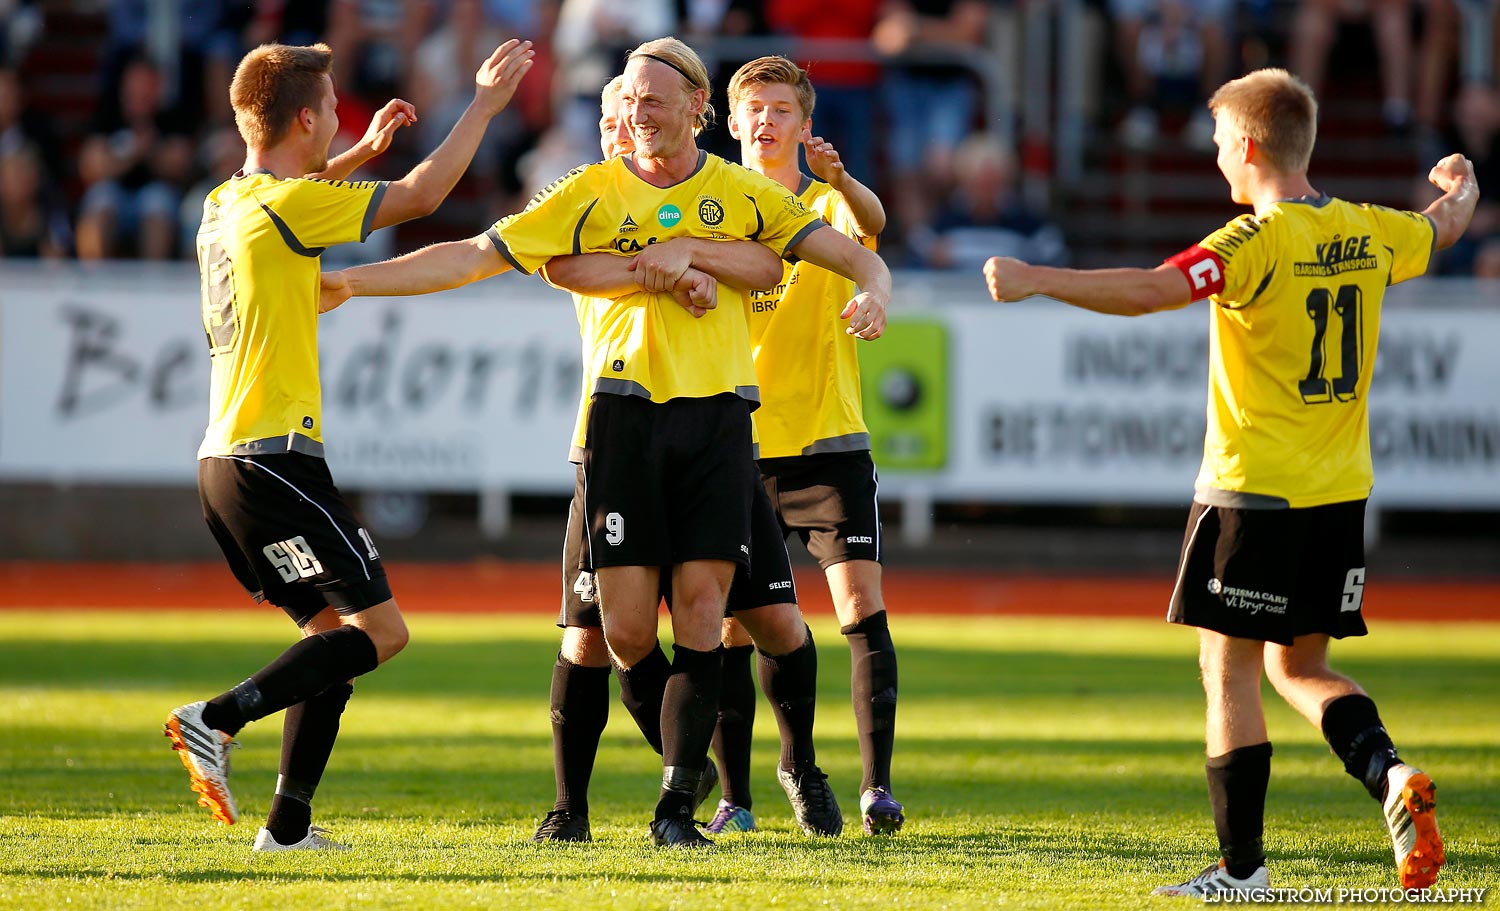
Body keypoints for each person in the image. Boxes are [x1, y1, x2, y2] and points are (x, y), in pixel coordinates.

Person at [320, 36, 892, 848]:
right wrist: (353, 279)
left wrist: (873, 292)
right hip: (623, 423)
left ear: (697, 108)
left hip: (721, 422)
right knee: (621, 630)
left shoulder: (740, 193)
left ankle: (675, 810)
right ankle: (666, 778)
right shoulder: (588, 193)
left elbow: (843, 253)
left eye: (653, 99)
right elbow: (475, 255)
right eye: (627, 100)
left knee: (703, 612)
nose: (637, 113)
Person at [982, 68, 1477, 895]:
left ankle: (1241, 870)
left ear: (1247, 148)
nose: (1216, 159)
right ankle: (1389, 773)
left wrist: (1039, 279)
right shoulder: (1372, 230)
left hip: (1252, 494)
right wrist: (1461, 179)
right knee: (1298, 667)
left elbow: (1154, 289)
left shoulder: (1251, 242)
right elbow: (1445, 224)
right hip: (1339, 492)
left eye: (1219, 144)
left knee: (1230, 674)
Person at [163, 38, 536, 852]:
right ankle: (214, 719)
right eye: (333, 109)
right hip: (274, 461)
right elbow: (424, 192)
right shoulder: (291, 206)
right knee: (383, 633)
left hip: (224, 462)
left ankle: (287, 827)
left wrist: (352, 156)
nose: (342, 118)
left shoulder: (224, 200)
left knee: (331, 639)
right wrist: (482, 104)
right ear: (305, 117)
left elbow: (287, 195)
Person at [530, 74, 838, 844]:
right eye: (609, 119)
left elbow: (779, 260)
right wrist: (673, 271)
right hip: (611, 438)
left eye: (631, 114)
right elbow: (563, 266)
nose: (620, 131)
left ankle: (791, 766)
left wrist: (694, 262)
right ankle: (590, 803)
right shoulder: (589, 211)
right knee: (596, 631)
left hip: (723, 432)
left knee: (769, 621)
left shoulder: (717, 202)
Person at [698, 54, 907, 838]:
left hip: (828, 441)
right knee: (726, 627)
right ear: (731, 119)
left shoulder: (827, 202)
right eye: (753, 108)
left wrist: (844, 182)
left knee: (861, 609)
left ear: (804, 123)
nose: (766, 121)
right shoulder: (709, 204)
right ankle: (738, 797)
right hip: (736, 449)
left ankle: (876, 789)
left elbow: (875, 227)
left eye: (781, 109)